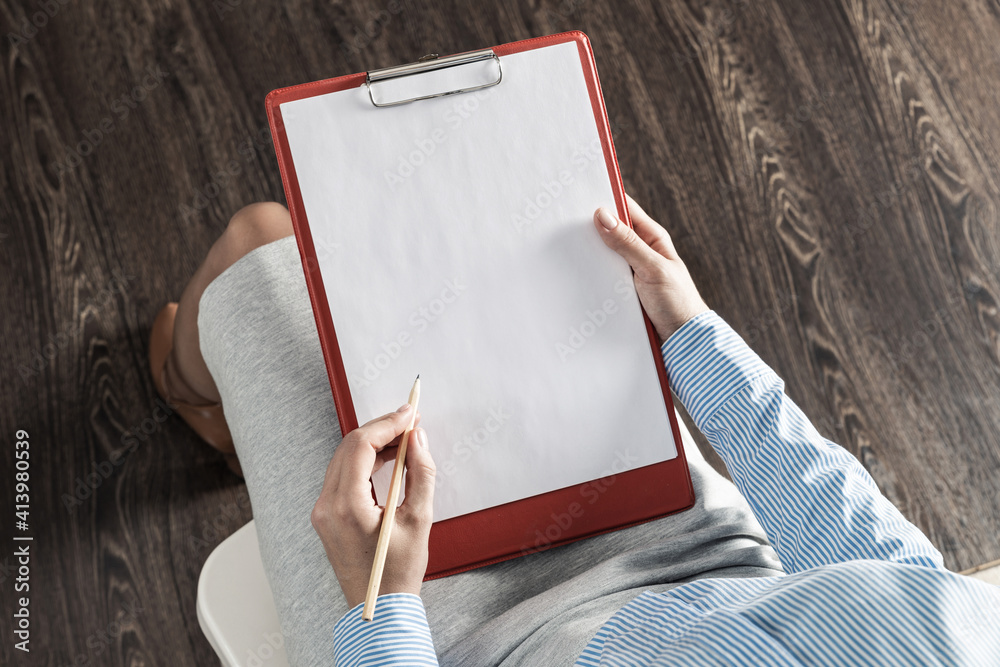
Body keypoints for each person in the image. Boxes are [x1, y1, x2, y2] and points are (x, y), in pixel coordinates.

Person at [150, 197, 999, 665]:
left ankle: (191, 391)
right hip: (696, 559)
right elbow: (890, 570)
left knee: (257, 244)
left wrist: (384, 606)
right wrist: (696, 335)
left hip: (455, 640)